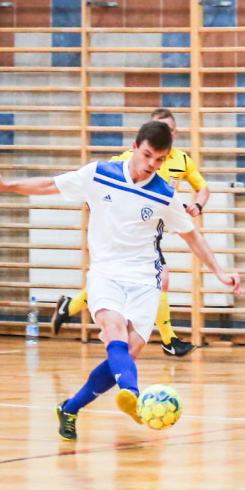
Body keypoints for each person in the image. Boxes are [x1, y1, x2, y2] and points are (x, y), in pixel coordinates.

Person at [0, 120, 241, 441]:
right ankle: (132, 395)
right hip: (106, 272)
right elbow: (50, 185)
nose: (152, 165)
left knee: (129, 350)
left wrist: (219, 271)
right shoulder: (100, 174)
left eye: (160, 160)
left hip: (145, 278)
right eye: (147, 155)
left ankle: (70, 408)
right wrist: (6, 185)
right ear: (134, 147)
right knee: (113, 331)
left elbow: (192, 236)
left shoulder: (164, 194)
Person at [51, 108, 210, 357]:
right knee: (159, 278)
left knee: (145, 282)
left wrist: (197, 205)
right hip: (128, 231)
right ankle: (169, 340)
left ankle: (69, 307)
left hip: (155, 229)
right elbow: (103, 185)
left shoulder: (182, 160)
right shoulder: (128, 157)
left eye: (167, 130)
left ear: (175, 134)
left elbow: (202, 188)